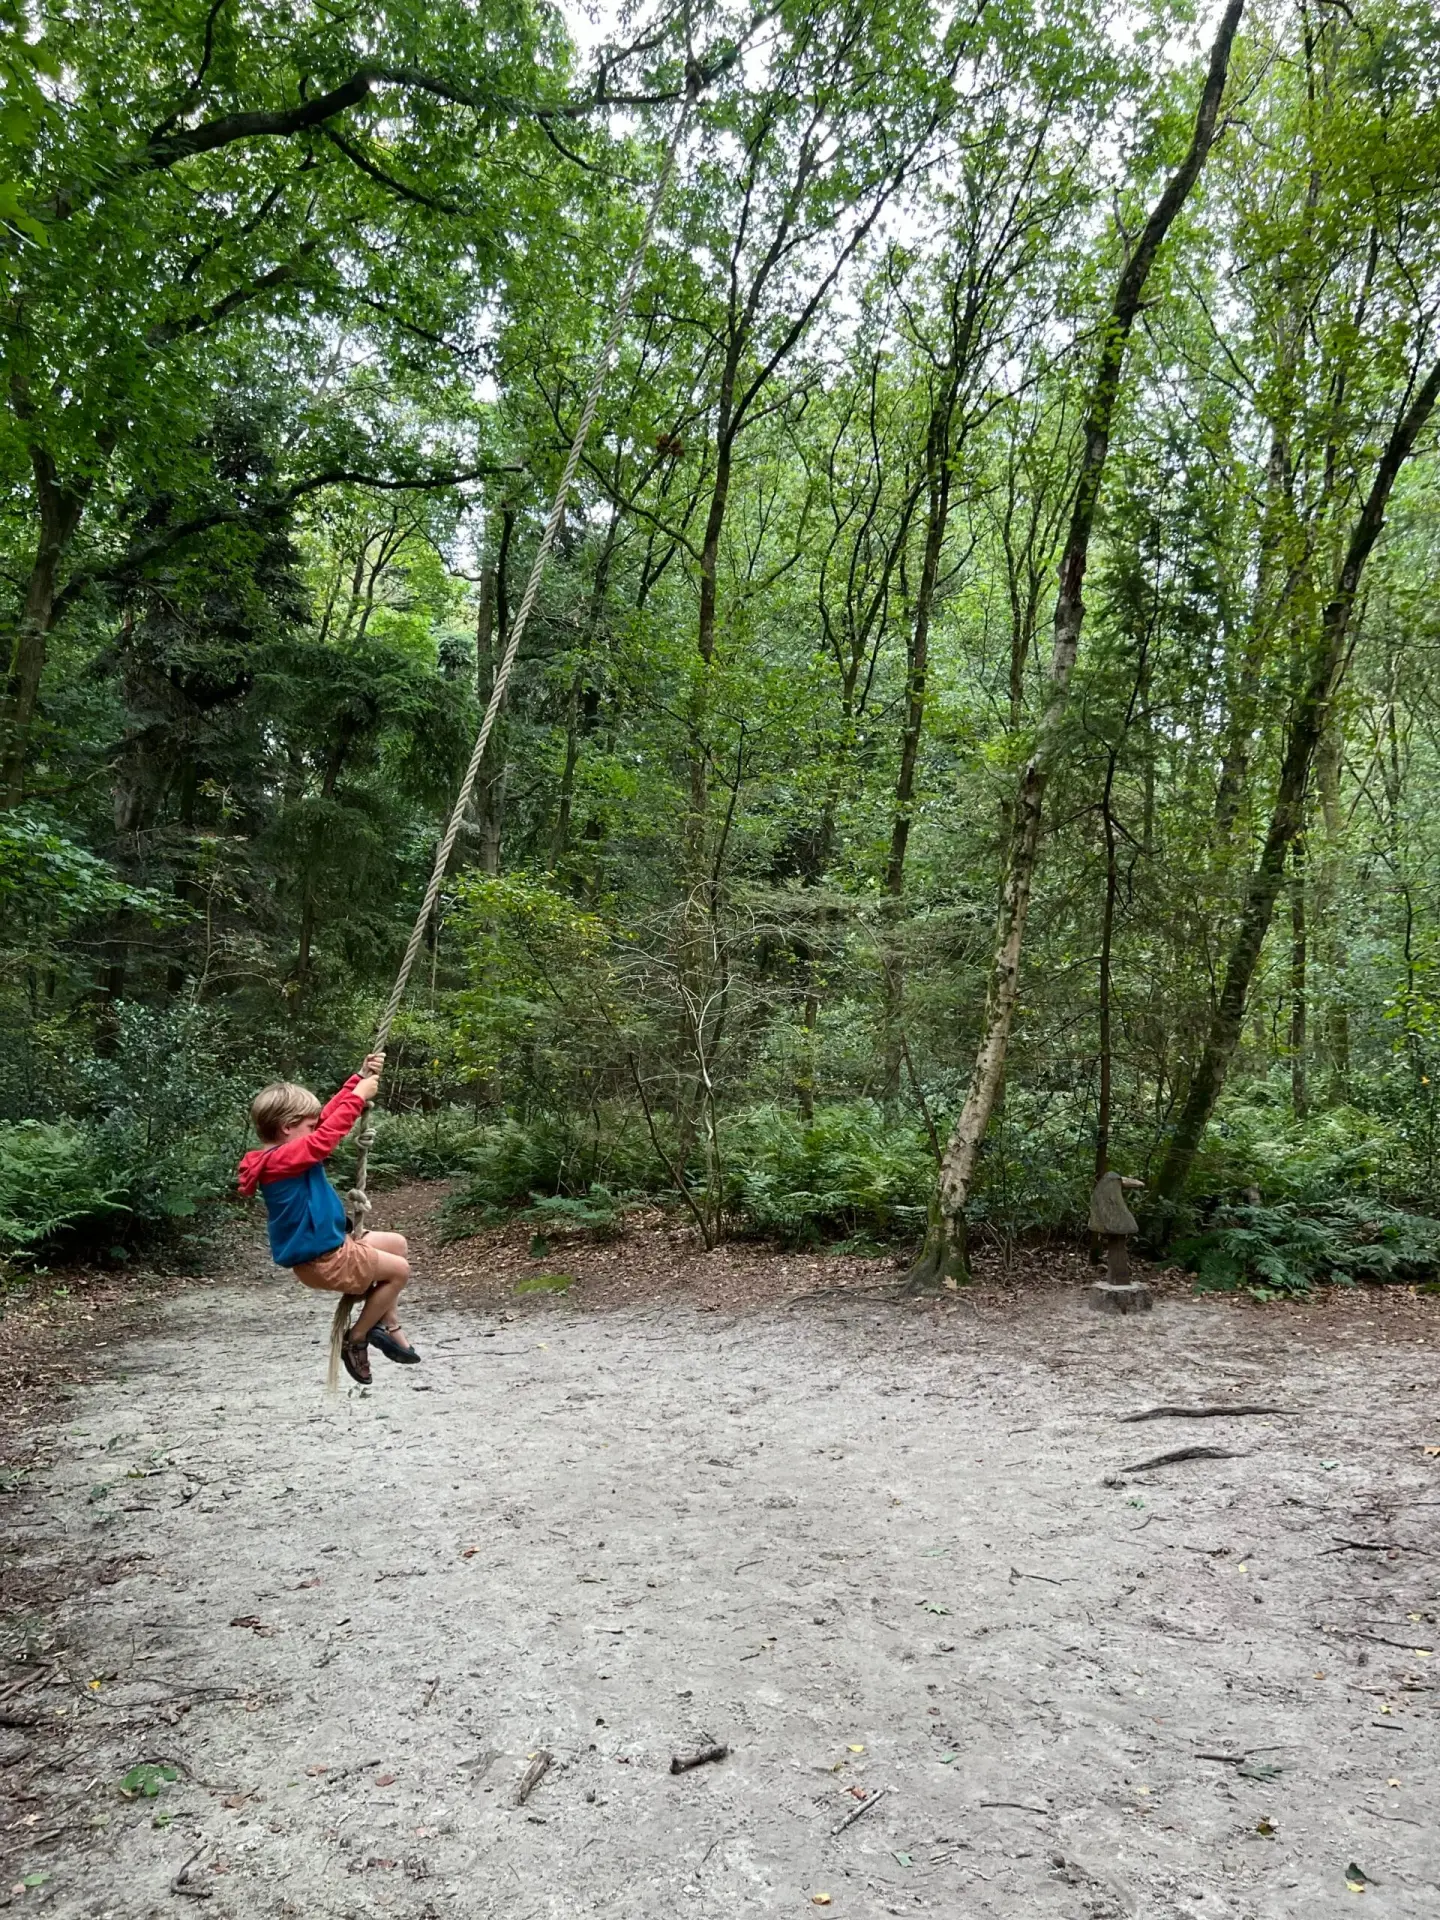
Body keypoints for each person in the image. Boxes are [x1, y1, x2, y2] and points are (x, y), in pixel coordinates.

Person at [237, 1051, 419, 1384]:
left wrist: (358, 1079)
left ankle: (384, 1323)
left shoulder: (286, 1151)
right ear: (288, 1128)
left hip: (332, 1246)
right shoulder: (279, 1161)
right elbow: (324, 1138)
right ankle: (358, 1338)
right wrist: (359, 1098)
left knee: (397, 1244)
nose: (316, 1127)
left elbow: (323, 1123)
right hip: (325, 1259)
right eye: (308, 1124)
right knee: (399, 1272)